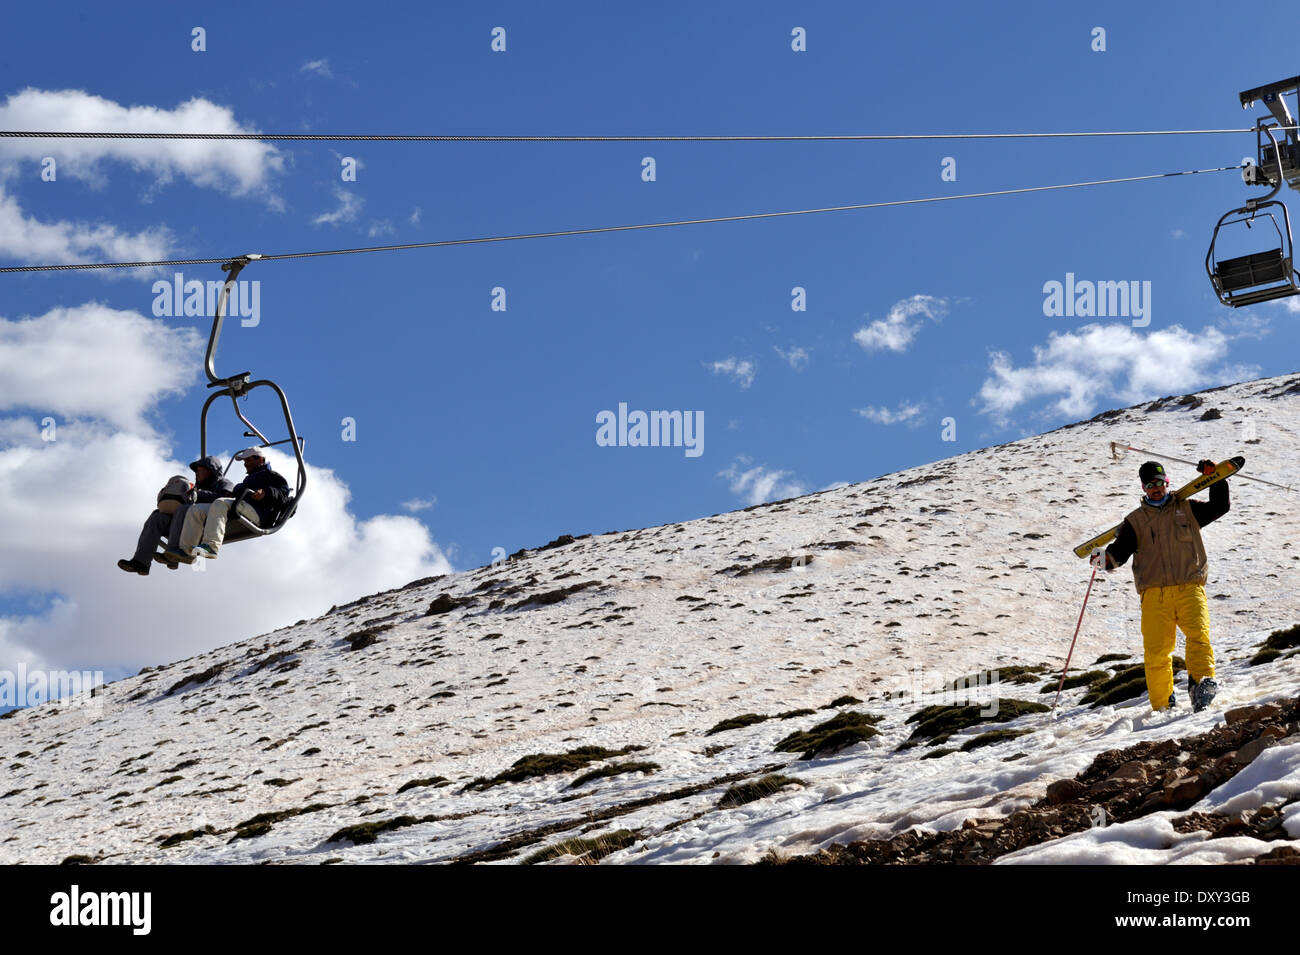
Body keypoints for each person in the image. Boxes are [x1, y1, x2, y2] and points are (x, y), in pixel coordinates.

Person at [1097, 458, 1228, 713]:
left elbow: (1220, 506)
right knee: (1157, 652)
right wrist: (1104, 560)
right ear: (1144, 489)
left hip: (1189, 587)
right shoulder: (1134, 522)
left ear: (1166, 482)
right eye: (1149, 485)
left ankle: (1201, 687)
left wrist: (1216, 478)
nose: (1155, 488)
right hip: (1154, 595)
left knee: (1198, 638)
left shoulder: (1188, 508)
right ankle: (1162, 706)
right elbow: (1118, 554)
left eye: (1159, 483)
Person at [165, 448, 289, 562]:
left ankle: (211, 546)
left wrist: (266, 492)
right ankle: (186, 552)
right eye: (244, 461)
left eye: (249, 460)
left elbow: (284, 493)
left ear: (260, 459)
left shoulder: (270, 475)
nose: (246, 464)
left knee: (220, 503)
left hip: (258, 511)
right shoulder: (250, 479)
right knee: (196, 509)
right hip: (241, 506)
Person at [117, 456, 235, 575]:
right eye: (196, 471)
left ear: (211, 471)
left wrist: (198, 494)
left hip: (204, 526)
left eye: (201, 470)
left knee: (184, 509)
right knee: (157, 517)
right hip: (181, 526)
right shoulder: (195, 488)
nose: (197, 473)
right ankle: (141, 562)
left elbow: (224, 501)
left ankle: (173, 553)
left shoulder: (224, 483)